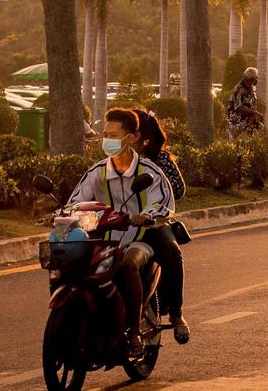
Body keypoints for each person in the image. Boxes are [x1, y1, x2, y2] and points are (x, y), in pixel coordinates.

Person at [66, 107, 174, 355]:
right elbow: (76, 202)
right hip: (102, 241)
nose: (108, 141)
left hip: (138, 239)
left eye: (114, 135)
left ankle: (134, 332)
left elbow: (163, 204)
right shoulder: (97, 172)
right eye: (105, 134)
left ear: (133, 137)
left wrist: (144, 216)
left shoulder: (150, 172)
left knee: (128, 264)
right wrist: (62, 215)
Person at [129, 108, 190, 345]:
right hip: (117, 224)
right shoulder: (114, 161)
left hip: (153, 224)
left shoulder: (160, 159)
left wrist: (153, 204)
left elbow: (178, 189)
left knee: (172, 253)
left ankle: (176, 315)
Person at [226, 68, 263, 138]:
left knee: (260, 128)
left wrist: (253, 117)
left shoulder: (252, 90)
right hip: (236, 122)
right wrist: (255, 113)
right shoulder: (239, 89)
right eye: (248, 80)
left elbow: (253, 106)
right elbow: (238, 107)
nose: (250, 82)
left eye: (252, 80)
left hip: (248, 122)